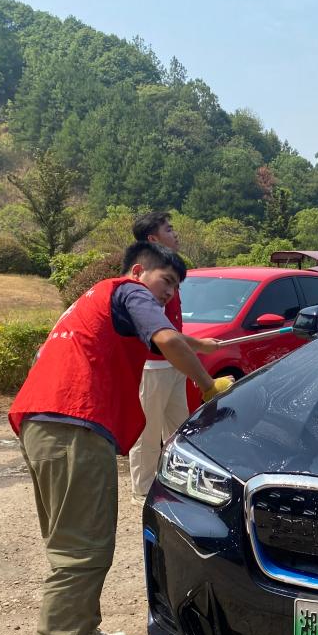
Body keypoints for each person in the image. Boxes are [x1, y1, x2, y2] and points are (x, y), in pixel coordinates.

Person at [9, 241, 232, 635]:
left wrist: (200, 344)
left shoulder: (98, 298)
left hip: (44, 421)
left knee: (73, 541)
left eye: (176, 287)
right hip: (75, 422)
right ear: (138, 271)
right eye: (166, 281)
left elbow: (166, 337)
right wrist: (208, 385)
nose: (168, 293)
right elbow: (166, 339)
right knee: (82, 551)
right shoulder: (131, 292)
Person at [128, 211, 192, 502]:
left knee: (179, 428)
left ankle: (178, 482)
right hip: (152, 367)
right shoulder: (147, 279)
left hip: (173, 363)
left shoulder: (169, 272)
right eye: (169, 229)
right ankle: (142, 489)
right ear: (153, 239)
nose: (175, 233)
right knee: (148, 431)